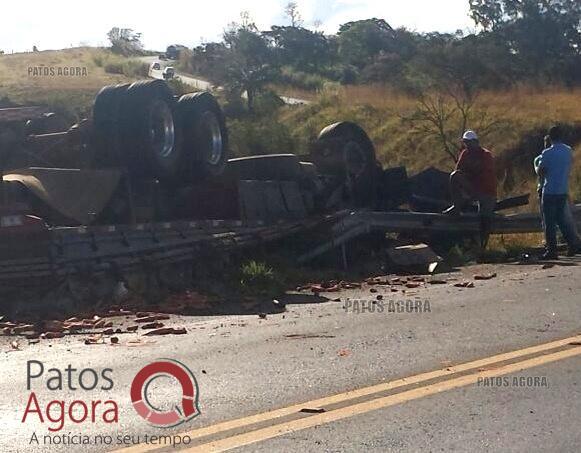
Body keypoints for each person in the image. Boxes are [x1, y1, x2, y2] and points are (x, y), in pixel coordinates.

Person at [536, 126, 580, 259]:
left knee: (549, 222)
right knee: (562, 220)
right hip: (563, 189)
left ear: (550, 137)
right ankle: (573, 243)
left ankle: (552, 250)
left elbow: (541, 171)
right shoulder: (568, 151)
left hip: (549, 190)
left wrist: (537, 166)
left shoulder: (547, 153)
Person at [443, 130, 497, 217]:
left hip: (486, 192)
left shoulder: (486, 155)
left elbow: (487, 178)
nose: (467, 145)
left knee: (484, 220)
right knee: (454, 175)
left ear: (476, 142)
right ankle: (456, 207)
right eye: (465, 142)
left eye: (469, 142)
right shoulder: (465, 154)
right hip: (472, 189)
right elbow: (458, 170)